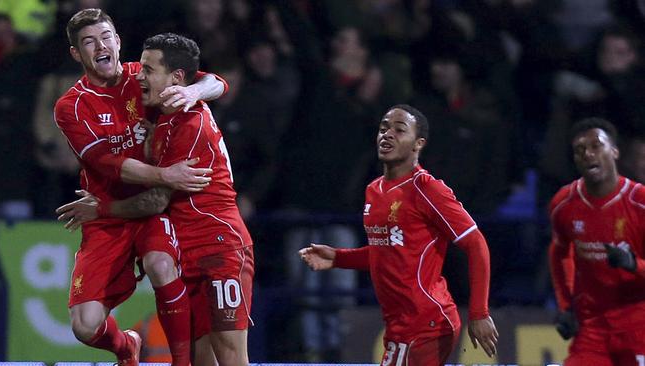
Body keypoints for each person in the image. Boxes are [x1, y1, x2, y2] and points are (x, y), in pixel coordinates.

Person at [57, 33, 254, 366]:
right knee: (205, 359)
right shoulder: (159, 116)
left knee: (231, 356)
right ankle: (134, 349)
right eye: (90, 41)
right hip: (189, 249)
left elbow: (158, 202)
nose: (139, 76)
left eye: (148, 70)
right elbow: (110, 165)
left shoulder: (189, 122)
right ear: (76, 53)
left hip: (217, 245)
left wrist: (102, 207)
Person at [299, 104, 498, 365]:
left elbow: (476, 244)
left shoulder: (426, 189)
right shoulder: (374, 189)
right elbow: (389, 251)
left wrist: (479, 312)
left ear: (418, 144)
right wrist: (338, 258)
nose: (387, 134)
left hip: (426, 322)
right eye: (383, 128)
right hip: (399, 325)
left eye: (399, 130)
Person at [548, 117, 645, 366]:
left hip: (639, 323)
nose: (588, 154)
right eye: (580, 150)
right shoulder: (564, 204)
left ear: (614, 151)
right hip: (593, 327)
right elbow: (559, 253)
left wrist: (634, 265)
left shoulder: (639, 202)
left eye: (595, 146)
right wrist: (565, 305)